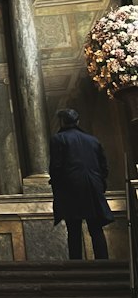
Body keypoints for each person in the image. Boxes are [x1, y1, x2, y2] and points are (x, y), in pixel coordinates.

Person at [48, 108, 113, 260]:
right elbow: (104, 166)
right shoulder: (93, 140)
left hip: (70, 188)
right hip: (92, 186)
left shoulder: (58, 139)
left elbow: (56, 167)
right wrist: (99, 183)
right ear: (78, 121)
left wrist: (57, 187)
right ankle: (104, 264)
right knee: (96, 228)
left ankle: (76, 265)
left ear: (62, 122)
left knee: (74, 229)